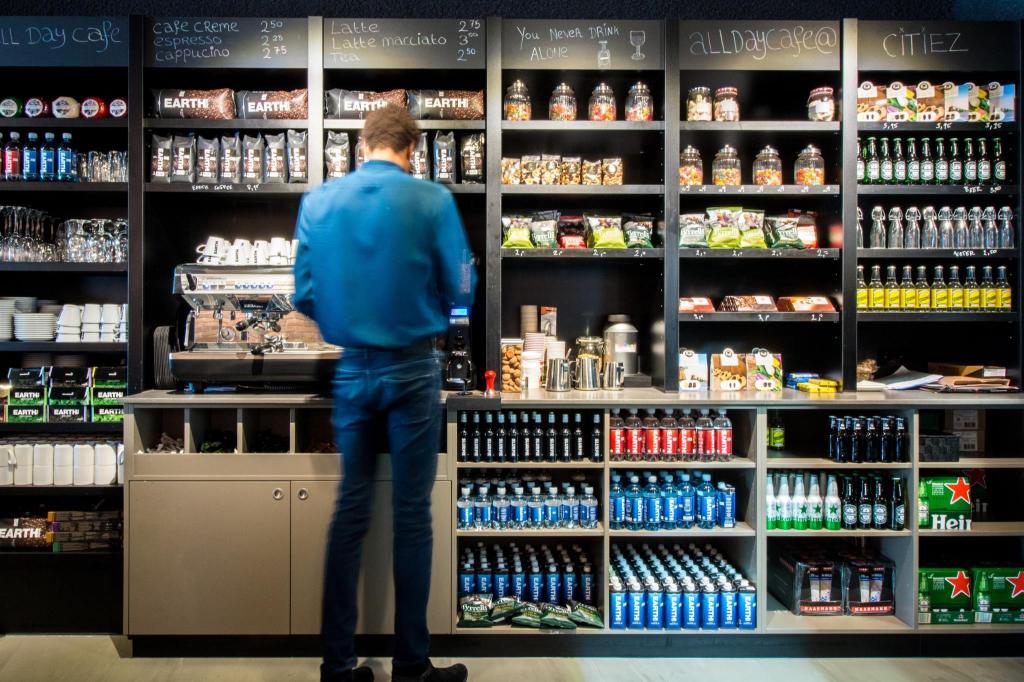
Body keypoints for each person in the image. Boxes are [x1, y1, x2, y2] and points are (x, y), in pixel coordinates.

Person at [293, 105, 476, 682]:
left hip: (351, 370)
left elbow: (303, 293)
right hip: (413, 367)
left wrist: (348, 315)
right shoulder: (432, 199)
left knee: (350, 512)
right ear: (411, 149)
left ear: (363, 144)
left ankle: (338, 666)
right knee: (411, 517)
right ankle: (411, 666)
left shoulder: (319, 202)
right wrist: (430, 304)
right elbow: (461, 285)